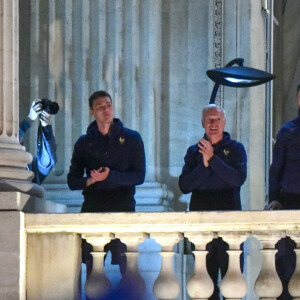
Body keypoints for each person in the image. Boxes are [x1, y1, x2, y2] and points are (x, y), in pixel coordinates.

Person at [67, 90, 146, 278]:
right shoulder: (84, 142)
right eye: (100, 107)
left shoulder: (132, 138)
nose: (106, 110)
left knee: (129, 270)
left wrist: (111, 176)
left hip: (123, 208)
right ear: (92, 112)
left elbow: (139, 176)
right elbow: (72, 181)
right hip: (93, 208)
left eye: (109, 105)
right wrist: (91, 180)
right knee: (93, 270)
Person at [178, 104, 247, 300]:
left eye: (217, 119)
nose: (213, 123)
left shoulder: (236, 149)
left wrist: (213, 160)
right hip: (201, 226)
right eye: (209, 120)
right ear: (202, 123)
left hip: (230, 225)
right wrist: (204, 165)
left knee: (232, 284)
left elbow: (236, 179)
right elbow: (185, 185)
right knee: (205, 286)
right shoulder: (194, 152)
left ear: (224, 122)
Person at [266, 83, 300, 300]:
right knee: (286, 266)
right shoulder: (287, 132)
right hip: (290, 202)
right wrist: (274, 198)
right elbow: (275, 169)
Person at [19, 100, 57, 184]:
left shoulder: (29, 167)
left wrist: (45, 126)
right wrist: (29, 120)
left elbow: (48, 162)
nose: (19, 139)